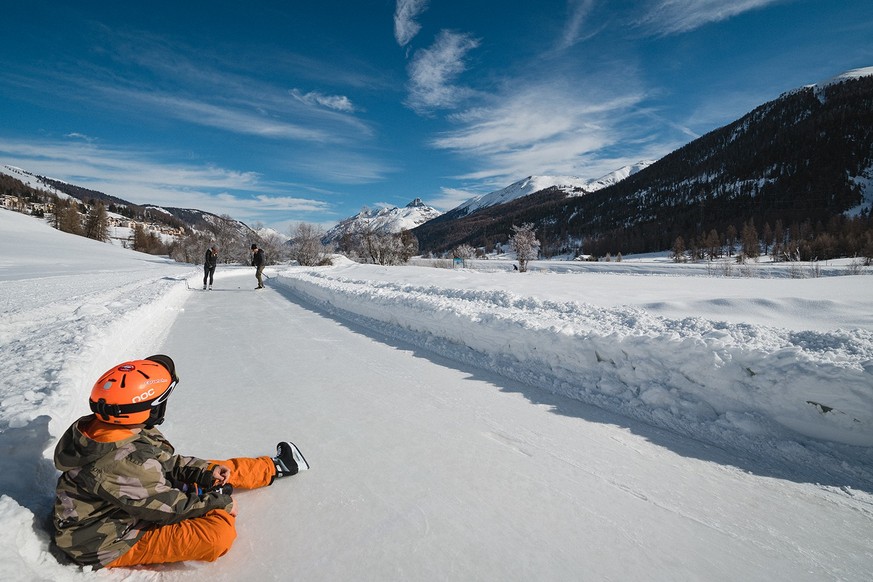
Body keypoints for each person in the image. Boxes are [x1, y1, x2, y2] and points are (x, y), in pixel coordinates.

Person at [52, 355, 308, 570]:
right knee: (217, 536)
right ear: (148, 408)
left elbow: (167, 462)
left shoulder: (117, 424)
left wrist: (206, 474)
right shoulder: (123, 461)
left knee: (209, 468)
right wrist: (219, 501)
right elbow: (168, 508)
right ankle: (201, 494)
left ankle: (271, 467)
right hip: (105, 541)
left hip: (132, 499)